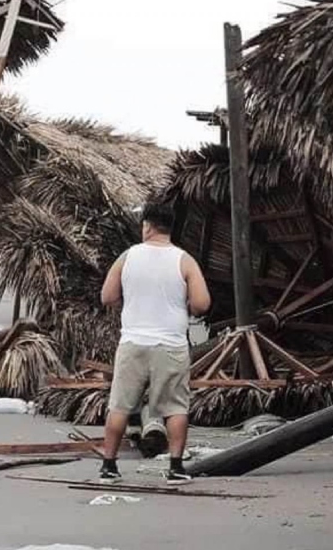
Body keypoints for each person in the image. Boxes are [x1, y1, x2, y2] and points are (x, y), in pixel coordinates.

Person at [99, 202, 210, 483]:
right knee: (174, 407)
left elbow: (107, 297)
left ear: (147, 226)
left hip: (133, 342)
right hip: (170, 344)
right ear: (170, 227)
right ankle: (175, 468)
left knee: (120, 405)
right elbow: (202, 303)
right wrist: (186, 305)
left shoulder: (127, 257)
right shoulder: (184, 260)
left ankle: (109, 467)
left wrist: (130, 301)